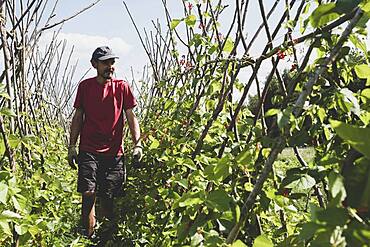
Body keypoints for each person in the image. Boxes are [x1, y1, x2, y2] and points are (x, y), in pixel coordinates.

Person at [67, 46, 143, 238]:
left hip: (114, 152)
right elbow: (78, 116)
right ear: (94, 64)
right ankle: (88, 237)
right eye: (105, 63)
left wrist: (138, 144)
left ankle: (105, 239)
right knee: (88, 194)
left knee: (108, 198)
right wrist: (72, 146)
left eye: (112, 62)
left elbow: (131, 116)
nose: (110, 66)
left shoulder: (122, 87)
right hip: (89, 149)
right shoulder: (85, 87)